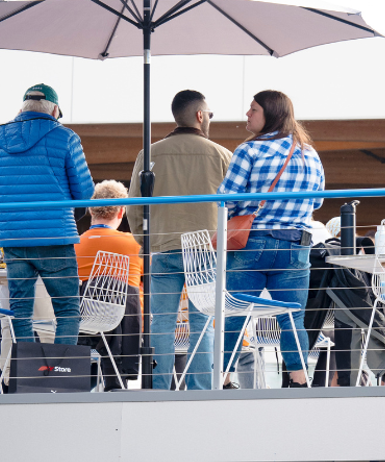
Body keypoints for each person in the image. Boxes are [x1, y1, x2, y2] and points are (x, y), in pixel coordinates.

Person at [218, 90, 324, 389]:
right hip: (295, 246)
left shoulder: (249, 150)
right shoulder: (309, 153)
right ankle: (299, 381)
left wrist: (246, 208)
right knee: (292, 318)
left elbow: (226, 199)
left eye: (253, 109)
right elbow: (315, 203)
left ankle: (224, 378)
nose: (247, 114)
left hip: (253, 243)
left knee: (236, 315)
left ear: (270, 114)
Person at [129, 90, 230, 391]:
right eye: (209, 113)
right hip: (206, 251)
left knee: (161, 322)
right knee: (203, 321)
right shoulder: (222, 155)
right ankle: (200, 389)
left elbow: (135, 205)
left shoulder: (149, 154)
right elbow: (236, 207)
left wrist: (146, 242)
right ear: (200, 115)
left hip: (162, 247)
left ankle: (159, 388)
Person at [0, 84, 94, 346]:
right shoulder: (65, 137)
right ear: (55, 110)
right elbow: (85, 193)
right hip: (55, 235)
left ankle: (26, 379)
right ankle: (60, 379)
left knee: (21, 313)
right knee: (66, 311)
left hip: (14, 239)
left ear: (21, 109)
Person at [76, 180, 143, 390]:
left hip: (83, 323)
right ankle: (117, 380)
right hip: (122, 325)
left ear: (91, 210)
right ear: (121, 212)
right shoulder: (134, 243)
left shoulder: (75, 243)